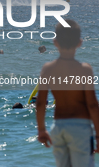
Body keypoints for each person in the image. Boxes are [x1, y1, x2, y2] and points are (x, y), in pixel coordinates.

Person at [36, 19, 99, 167]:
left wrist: (41, 130)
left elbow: (40, 103)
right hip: (81, 128)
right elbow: (92, 105)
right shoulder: (85, 70)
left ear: (55, 42)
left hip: (58, 127)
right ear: (80, 43)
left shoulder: (48, 69)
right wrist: (98, 134)